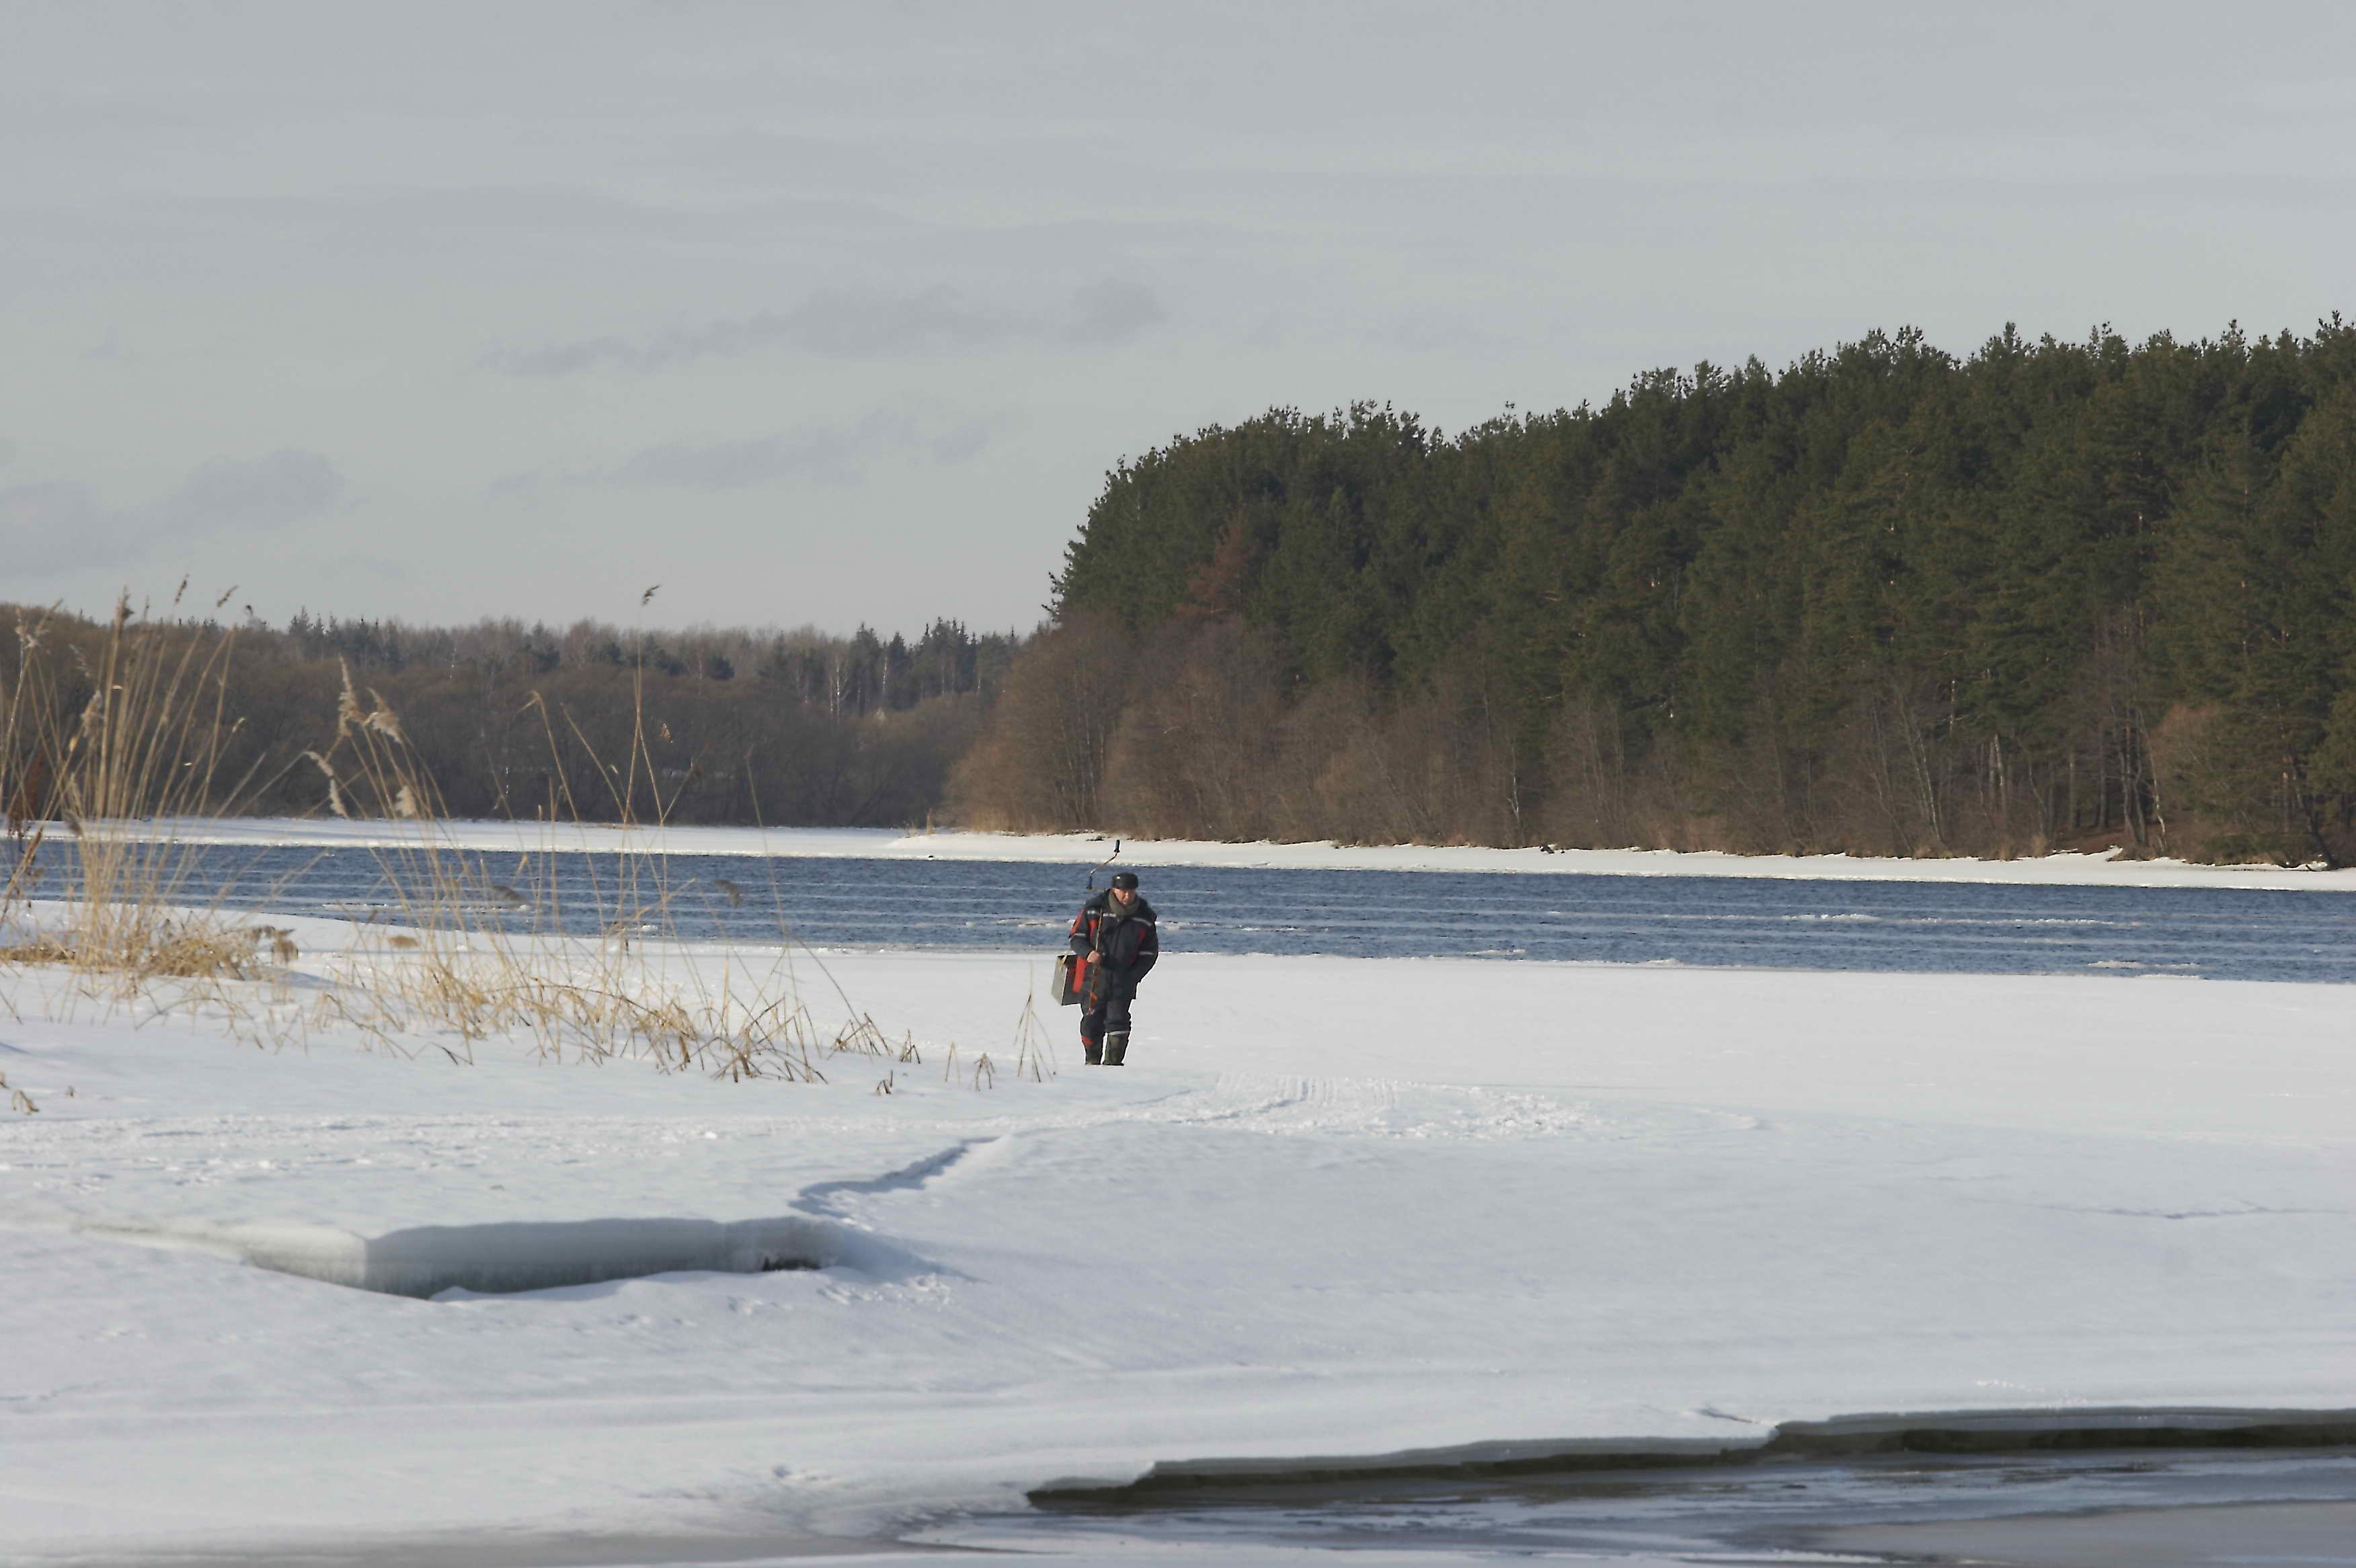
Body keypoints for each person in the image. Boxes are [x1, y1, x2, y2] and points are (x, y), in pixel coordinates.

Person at [1068, 870, 1157, 1065]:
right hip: (1092, 979)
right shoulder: (1094, 909)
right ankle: (1091, 1062)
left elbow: (1149, 953)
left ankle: (1113, 1066)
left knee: (1119, 1023)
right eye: (1123, 891)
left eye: (1131, 892)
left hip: (1123, 980)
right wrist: (1089, 953)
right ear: (1114, 890)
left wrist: (1133, 975)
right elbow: (1076, 937)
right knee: (1091, 1023)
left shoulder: (1145, 916)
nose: (1127, 896)